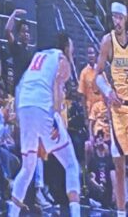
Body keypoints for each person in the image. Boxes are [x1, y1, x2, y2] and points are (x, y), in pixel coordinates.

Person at [9, 33, 80, 217]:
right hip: (42, 107)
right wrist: (55, 115)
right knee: (71, 164)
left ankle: (12, 214)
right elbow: (56, 94)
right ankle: (76, 213)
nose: (73, 51)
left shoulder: (38, 55)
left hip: (24, 106)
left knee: (28, 167)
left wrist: (20, 120)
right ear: (65, 46)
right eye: (72, 47)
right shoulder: (62, 59)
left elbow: (19, 87)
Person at [94, 0, 128, 217]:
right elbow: (97, 74)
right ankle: (120, 212)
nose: (116, 21)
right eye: (113, 17)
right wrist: (108, 91)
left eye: (119, 17)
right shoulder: (107, 41)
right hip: (117, 111)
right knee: (119, 166)